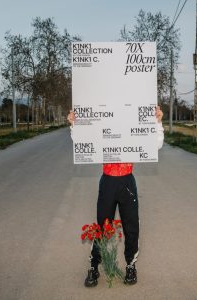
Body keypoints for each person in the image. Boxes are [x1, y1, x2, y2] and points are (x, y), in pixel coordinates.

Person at [68, 106, 164, 287]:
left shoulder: (132, 116)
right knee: (102, 226)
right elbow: (83, 143)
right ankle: (94, 266)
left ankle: (130, 265)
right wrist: (75, 125)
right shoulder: (104, 116)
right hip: (108, 181)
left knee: (131, 225)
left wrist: (157, 122)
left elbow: (155, 145)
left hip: (127, 180)